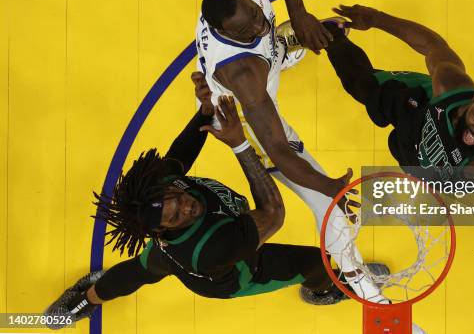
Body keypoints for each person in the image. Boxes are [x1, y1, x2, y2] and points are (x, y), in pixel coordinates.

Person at [44, 74, 349, 330]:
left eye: (177, 197)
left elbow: (180, 154)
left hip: (175, 254)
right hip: (235, 271)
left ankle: (85, 299)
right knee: (315, 261)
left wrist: (204, 111)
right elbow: (273, 213)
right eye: (176, 216)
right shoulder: (210, 248)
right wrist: (240, 144)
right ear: (162, 231)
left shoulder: (159, 189)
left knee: (140, 270)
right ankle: (323, 290)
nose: (187, 205)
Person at [196, 0, 385, 301]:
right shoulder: (243, 74)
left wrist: (298, 13)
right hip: (248, 121)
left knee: (283, 39)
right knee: (329, 205)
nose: (256, 24)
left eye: (253, 14)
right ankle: (354, 280)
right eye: (245, 29)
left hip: (262, 69)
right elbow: (280, 151)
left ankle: (283, 47)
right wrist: (329, 186)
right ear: (222, 32)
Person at [319, 4, 474, 250]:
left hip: (423, 162)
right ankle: (331, 33)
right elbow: (431, 44)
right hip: (415, 109)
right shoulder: (450, 84)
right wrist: (376, 18)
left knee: (435, 194)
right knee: (359, 84)